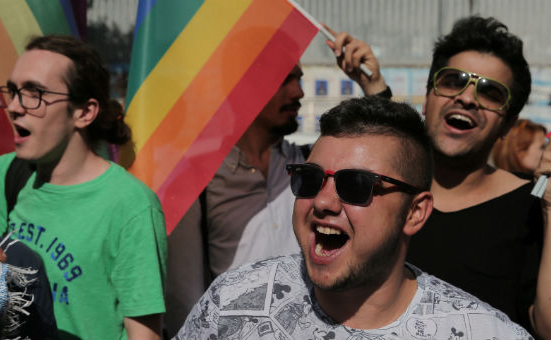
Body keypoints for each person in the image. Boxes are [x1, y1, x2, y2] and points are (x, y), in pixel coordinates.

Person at [175, 96, 532, 340]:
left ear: (415, 212)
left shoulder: (481, 332)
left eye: (356, 185)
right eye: (310, 179)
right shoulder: (233, 303)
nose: (323, 202)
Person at [164, 31, 390, 336]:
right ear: (242, 86)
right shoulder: (199, 179)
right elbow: (185, 299)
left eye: (298, 78)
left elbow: (393, 159)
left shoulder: (311, 167)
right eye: (283, 79)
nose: (298, 92)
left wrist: (372, 86)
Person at [400, 16, 551, 339]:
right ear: (428, 97)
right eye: (452, 80)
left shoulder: (535, 210)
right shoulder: (378, 188)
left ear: (508, 123)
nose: (467, 97)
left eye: (491, 92)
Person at [0, 35, 167, 339]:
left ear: (85, 112)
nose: (14, 107)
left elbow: (145, 336)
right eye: (12, 92)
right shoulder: (7, 175)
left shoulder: (132, 205)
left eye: (34, 93)